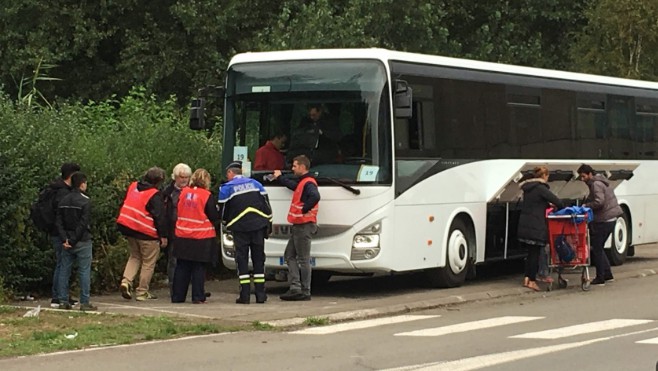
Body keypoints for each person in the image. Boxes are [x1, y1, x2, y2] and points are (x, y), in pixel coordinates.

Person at [218, 161, 273, 304]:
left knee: (242, 260)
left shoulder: (227, 188)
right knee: (258, 259)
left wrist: (226, 224)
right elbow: (267, 205)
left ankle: (245, 295)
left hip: (240, 228)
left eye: (227, 174)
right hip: (258, 226)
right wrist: (269, 223)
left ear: (231, 173)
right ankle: (261, 294)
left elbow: (222, 211)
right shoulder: (256, 184)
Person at [272, 155, 320, 301]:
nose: (292, 169)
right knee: (289, 255)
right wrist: (280, 178)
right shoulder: (303, 182)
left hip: (304, 225)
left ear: (302, 167)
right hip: (299, 225)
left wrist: (304, 209)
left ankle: (304, 291)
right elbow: (293, 186)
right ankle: (296, 287)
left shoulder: (309, 183)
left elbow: (315, 196)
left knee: (303, 259)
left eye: (294, 166)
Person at [117, 167, 168, 301]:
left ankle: (126, 281)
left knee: (134, 256)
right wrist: (163, 236)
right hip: (146, 232)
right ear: (159, 181)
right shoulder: (154, 194)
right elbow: (160, 217)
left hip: (128, 228)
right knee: (148, 262)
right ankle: (142, 291)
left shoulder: (133, 186)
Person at [171, 169, 220, 304]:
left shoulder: (184, 192)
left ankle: (177, 296)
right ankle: (198, 296)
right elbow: (214, 216)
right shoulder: (206, 195)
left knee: (182, 267)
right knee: (198, 267)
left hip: (182, 234)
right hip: (201, 236)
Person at [517, 166, 564, 291]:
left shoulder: (527, 189)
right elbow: (558, 202)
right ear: (544, 176)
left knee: (530, 253)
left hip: (525, 224)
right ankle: (532, 281)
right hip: (536, 225)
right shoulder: (541, 188)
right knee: (535, 254)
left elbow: (535, 203)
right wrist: (556, 208)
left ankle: (527, 278)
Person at [55, 172, 96, 311]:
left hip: (66, 240)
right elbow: (83, 224)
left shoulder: (63, 200)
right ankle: (84, 302)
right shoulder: (85, 201)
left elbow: (58, 222)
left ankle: (62, 300)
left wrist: (65, 239)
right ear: (82, 184)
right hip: (82, 240)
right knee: (84, 271)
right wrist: (73, 240)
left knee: (64, 270)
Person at [578, 164, 622, 286]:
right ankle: (607, 274)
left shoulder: (596, 184)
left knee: (596, 248)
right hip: (610, 217)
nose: (582, 179)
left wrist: (586, 206)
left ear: (589, 174)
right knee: (599, 247)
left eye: (583, 176)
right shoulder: (600, 182)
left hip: (604, 219)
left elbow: (599, 201)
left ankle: (600, 277)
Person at [49, 162, 81, 308]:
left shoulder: (56, 189)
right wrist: (65, 236)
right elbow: (61, 216)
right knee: (63, 264)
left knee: (60, 263)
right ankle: (59, 297)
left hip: (56, 232)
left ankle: (59, 295)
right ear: (72, 175)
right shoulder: (63, 193)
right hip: (61, 233)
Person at [162, 163, 192, 296]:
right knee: (173, 260)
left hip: (191, 231)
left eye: (187, 177)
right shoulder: (167, 192)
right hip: (173, 231)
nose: (184, 180)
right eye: (181, 177)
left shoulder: (194, 191)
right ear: (175, 177)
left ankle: (189, 288)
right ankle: (174, 288)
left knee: (190, 260)